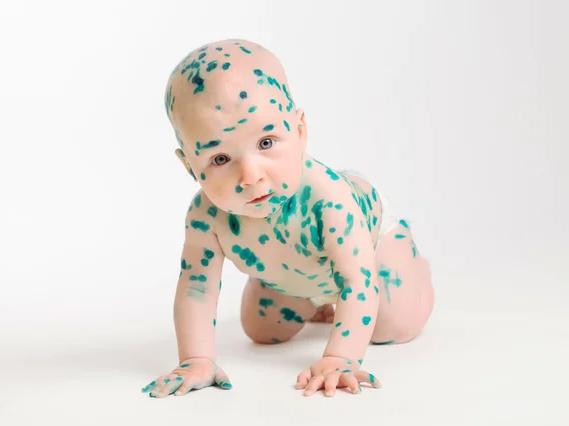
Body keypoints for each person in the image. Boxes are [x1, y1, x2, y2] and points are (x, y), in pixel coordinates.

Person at [142, 38, 434, 398]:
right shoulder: (205, 216)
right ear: (190, 166)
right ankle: (314, 298)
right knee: (262, 331)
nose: (251, 176)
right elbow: (196, 288)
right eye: (219, 159)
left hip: (371, 248)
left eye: (266, 143)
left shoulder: (329, 200)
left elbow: (359, 282)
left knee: (395, 325)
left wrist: (340, 358)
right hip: (295, 272)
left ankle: (413, 266)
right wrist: (196, 359)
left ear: (299, 131)